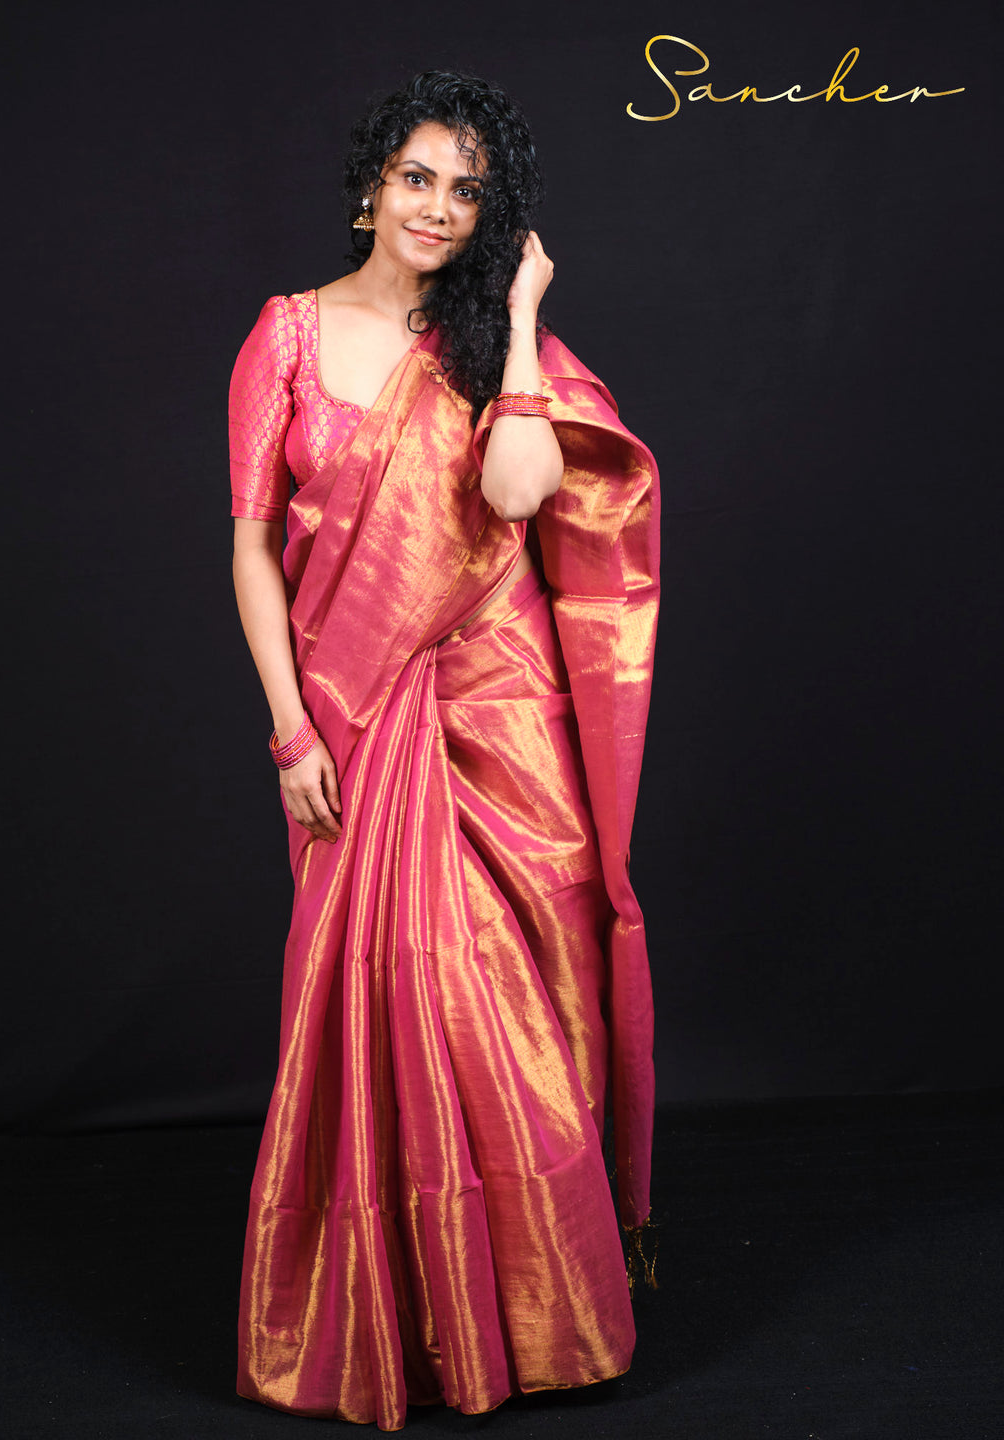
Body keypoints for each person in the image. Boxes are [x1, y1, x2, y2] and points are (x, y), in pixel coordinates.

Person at [228, 70, 660, 1431]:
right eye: (418, 177)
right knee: (372, 998)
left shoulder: (486, 343)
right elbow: (250, 544)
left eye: (469, 190)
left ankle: (534, 1316)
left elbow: (523, 495)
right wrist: (290, 721)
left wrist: (522, 322)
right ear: (370, 184)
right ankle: (393, 1320)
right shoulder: (286, 335)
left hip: (497, 707)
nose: (438, 206)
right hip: (349, 710)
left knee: (511, 1006)